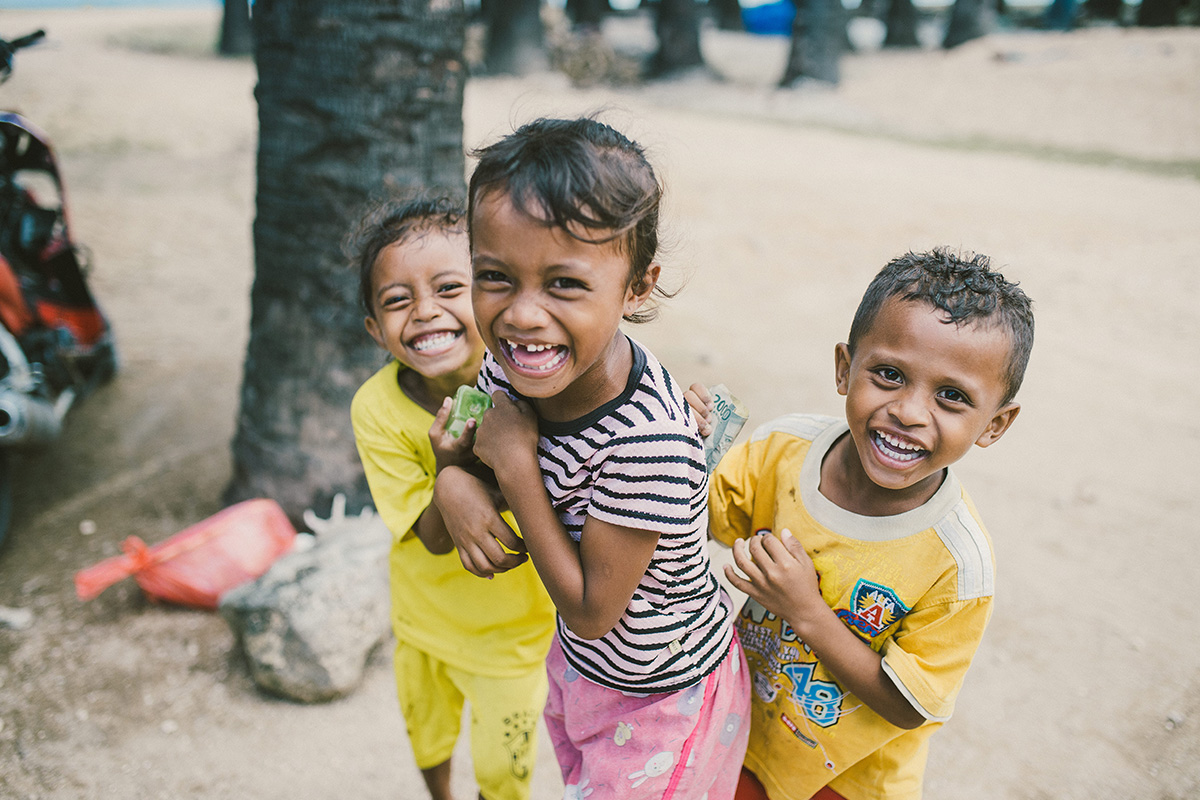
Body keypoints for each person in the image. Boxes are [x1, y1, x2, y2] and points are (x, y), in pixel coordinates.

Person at [433, 116, 751, 800]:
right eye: (495, 276)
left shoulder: (650, 443)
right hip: (588, 674)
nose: (521, 315)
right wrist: (453, 480)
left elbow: (590, 609)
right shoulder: (508, 371)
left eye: (564, 285)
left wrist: (514, 468)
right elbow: (466, 449)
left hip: (664, 697)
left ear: (636, 288)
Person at [709, 249, 1035, 800]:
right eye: (888, 374)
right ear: (845, 368)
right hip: (737, 727)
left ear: (995, 424)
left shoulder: (957, 564)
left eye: (952, 396)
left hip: (845, 780)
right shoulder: (780, 453)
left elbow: (908, 705)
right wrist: (684, 449)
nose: (908, 411)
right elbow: (703, 515)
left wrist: (806, 611)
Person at [348, 195, 557, 800]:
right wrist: (450, 469)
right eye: (396, 300)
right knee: (428, 736)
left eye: (449, 288)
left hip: (513, 637)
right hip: (422, 622)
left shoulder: (533, 386)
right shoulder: (376, 408)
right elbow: (436, 539)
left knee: (503, 771)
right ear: (373, 328)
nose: (424, 312)